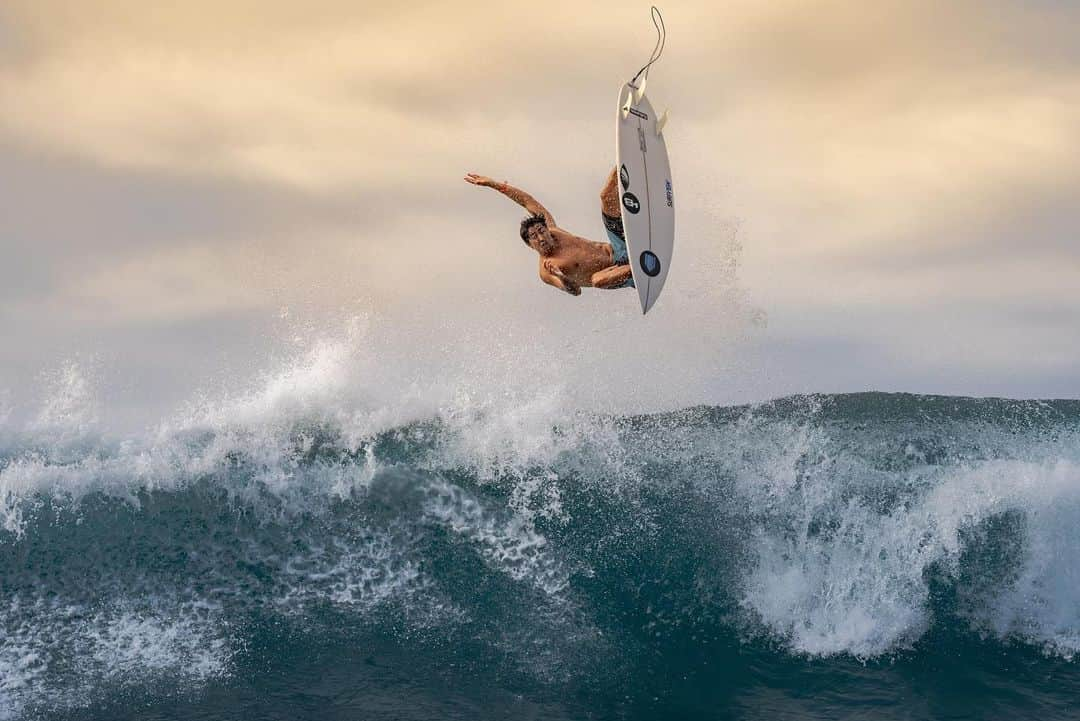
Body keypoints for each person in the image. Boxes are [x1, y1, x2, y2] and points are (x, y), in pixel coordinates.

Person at [464, 169, 634, 295]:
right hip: (617, 272)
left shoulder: (554, 230)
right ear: (530, 245)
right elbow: (575, 291)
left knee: (606, 197)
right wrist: (562, 277)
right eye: (533, 237)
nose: (540, 237)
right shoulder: (547, 271)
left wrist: (493, 184)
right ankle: (637, 267)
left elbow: (526, 201)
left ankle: (629, 157)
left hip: (619, 246)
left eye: (540, 231)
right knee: (596, 281)